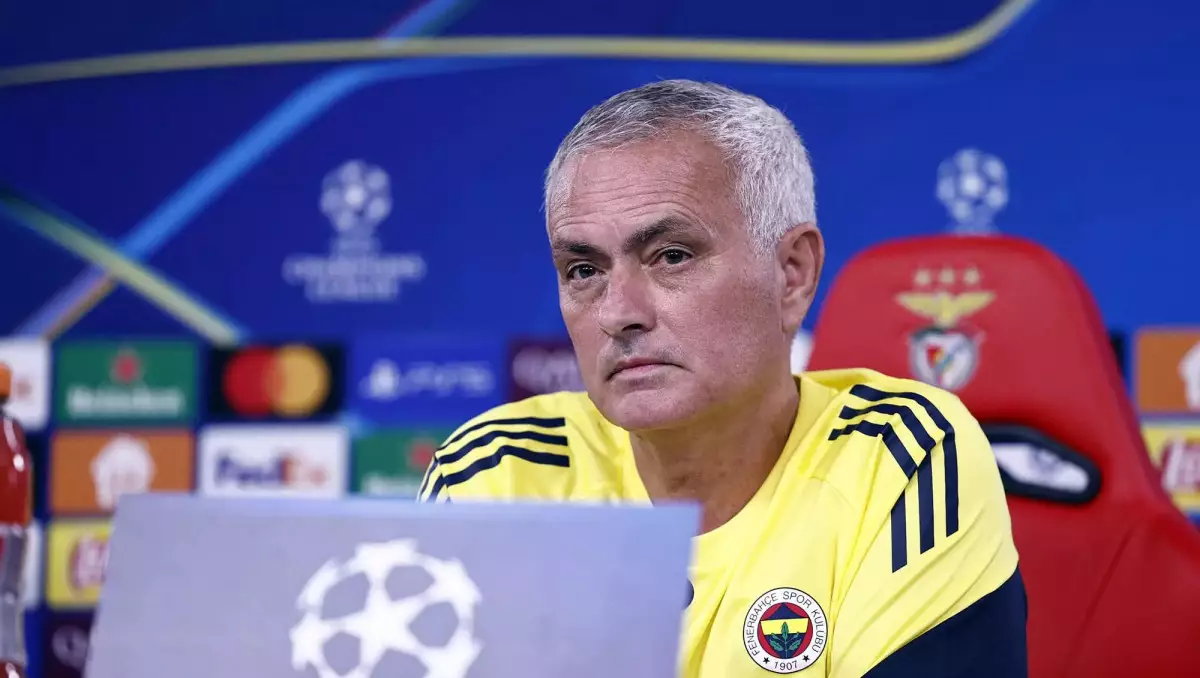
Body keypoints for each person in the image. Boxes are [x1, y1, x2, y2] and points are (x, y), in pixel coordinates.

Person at [418, 79, 1026, 677]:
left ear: (791, 274)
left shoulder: (900, 458)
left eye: (671, 256)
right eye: (583, 270)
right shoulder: (497, 474)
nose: (617, 312)